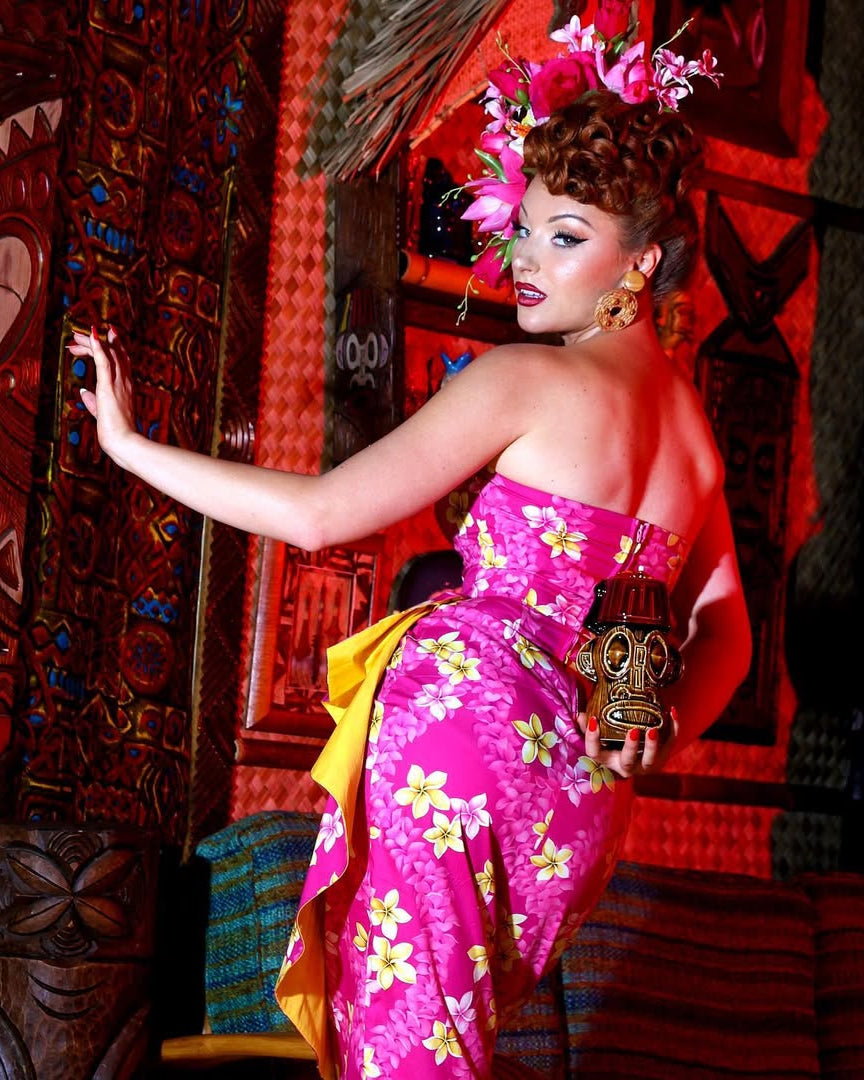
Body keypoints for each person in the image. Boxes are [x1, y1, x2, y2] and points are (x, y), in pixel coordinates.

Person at [69, 23, 751, 1080]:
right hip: (578, 801)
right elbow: (726, 640)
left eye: (565, 238)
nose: (525, 262)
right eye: (523, 230)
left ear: (644, 259)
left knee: (409, 1058)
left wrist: (129, 445)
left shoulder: (530, 381)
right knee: (445, 1053)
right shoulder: (698, 439)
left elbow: (321, 516)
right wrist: (639, 735)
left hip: (460, 747)